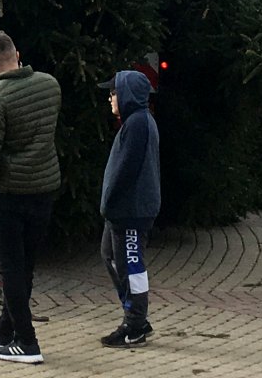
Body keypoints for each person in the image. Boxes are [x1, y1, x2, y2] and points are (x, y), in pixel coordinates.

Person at [0, 31, 61, 366]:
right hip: (44, 189)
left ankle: (28, 342)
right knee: (26, 267)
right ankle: (4, 332)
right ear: (17, 54)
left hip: (6, 195)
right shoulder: (50, 86)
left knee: (11, 269)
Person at [98, 69, 162, 349]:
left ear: (125, 94)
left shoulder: (138, 124)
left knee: (132, 266)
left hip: (131, 212)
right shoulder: (135, 121)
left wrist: (110, 201)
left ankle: (135, 325)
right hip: (120, 211)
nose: (110, 98)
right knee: (110, 256)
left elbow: (127, 170)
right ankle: (133, 315)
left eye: (113, 92)